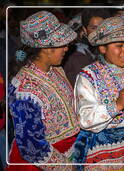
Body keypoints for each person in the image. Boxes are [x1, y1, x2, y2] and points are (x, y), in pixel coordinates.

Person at [72, 17, 124, 171]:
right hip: (104, 147)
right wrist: (117, 105)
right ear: (103, 48)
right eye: (119, 45)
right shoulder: (89, 76)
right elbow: (85, 118)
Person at [7, 11, 80, 170]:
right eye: (62, 44)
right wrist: (67, 167)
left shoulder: (56, 71)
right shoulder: (24, 90)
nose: (67, 48)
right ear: (46, 48)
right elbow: (32, 148)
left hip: (71, 153)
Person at [64, 9, 110, 87]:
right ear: (85, 30)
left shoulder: (114, 51)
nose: (99, 33)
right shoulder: (78, 57)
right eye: (93, 28)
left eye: (103, 28)